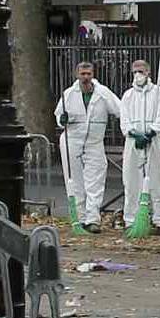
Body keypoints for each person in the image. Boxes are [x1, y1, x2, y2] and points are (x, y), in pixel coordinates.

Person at [56, 59, 119, 231]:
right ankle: (79, 217)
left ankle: (93, 219)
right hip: (72, 140)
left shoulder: (103, 93)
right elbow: (59, 115)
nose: (85, 77)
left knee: (95, 180)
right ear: (77, 75)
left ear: (93, 75)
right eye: (82, 74)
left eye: (88, 74)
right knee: (75, 181)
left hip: (94, 142)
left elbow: (119, 109)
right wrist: (62, 120)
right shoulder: (68, 94)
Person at [119, 57, 160, 231]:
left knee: (158, 181)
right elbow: (124, 120)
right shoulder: (128, 95)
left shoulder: (159, 93)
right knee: (131, 181)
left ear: (148, 72)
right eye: (135, 71)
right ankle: (132, 220)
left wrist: (151, 132)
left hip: (154, 142)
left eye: (141, 71)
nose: (137, 74)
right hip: (133, 143)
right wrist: (134, 133)